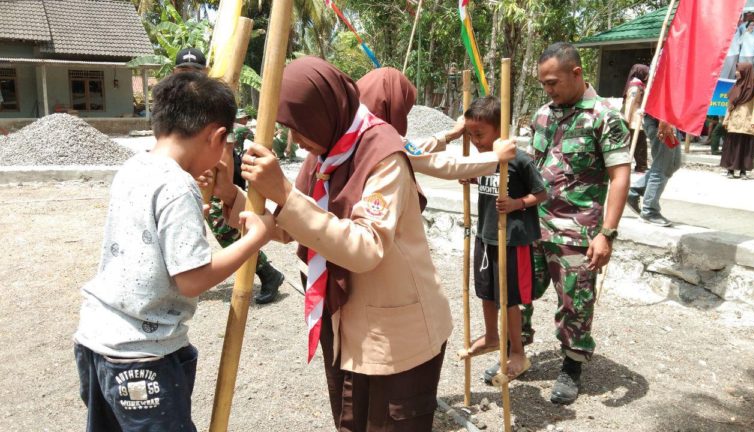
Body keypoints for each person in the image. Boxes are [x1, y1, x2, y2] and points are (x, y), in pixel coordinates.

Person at [241, 57, 452, 431]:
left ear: (323, 112)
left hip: (398, 340)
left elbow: (365, 248)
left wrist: (286, 196)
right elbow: (289, 227)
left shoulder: (383, 155)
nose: (293, 140)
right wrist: (230, 197)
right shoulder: (326, 154)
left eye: (297, 127)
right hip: (348, 332)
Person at [72, 72, 274, 431]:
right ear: (217, 136)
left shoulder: (134, 167)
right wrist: (252, 241)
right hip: (141, 357)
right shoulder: (178, 187)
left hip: (96, 341)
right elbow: (193, 279)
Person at [526, 42, 631, 405]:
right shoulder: (542, 115)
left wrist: (607, 234)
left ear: (576, 73)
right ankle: (516, 352)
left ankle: (572, 364)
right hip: (533, 225)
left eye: (553, 82)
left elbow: (620, 177)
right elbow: (531, 167)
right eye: (543, 84)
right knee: (518, 290)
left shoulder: (604, 117)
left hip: (577, 231)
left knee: (575, 302)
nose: (548, 90)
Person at [450, 96, 547, 380]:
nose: (476, 141)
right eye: (471, 135)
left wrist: (518, 204)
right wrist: (472, 179)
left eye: (480, 134)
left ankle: (517, 351)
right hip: (485, 235)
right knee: (486, 293)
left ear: (498, 129)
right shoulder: (483, 159)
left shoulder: (520, 159)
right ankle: (492, 337)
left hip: (512, 240)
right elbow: (488, 182)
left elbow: (542, 193)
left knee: (509, 299)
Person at [178, 49, 285, 304]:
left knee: (227, 232)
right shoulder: (176, 110)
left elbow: (224, 156)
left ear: (204, 74)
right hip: (187, 183)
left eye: (194, 73)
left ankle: (267, 273)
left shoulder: (214, 108)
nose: (188, 79)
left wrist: (219, 187)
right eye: (184, 72)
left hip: (214, 184)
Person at [720, 62, 754, 179]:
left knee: (745, 147)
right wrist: (726, 119)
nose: (736, 73)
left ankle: (743, 171)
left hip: (747, 123)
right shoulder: (736, 86)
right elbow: (730, 105)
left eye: (739, 70)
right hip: (734, 122)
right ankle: (730, 170)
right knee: (732, 146)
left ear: (746, 71)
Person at [623, 64, 650, 172]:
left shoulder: (640, 85)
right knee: (638, 144)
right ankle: (640, 166)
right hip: (633, 121)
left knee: (640, 144)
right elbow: (629, 105)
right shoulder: (635, 86)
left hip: (637, 120)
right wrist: (625, 121)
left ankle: (641, 166)